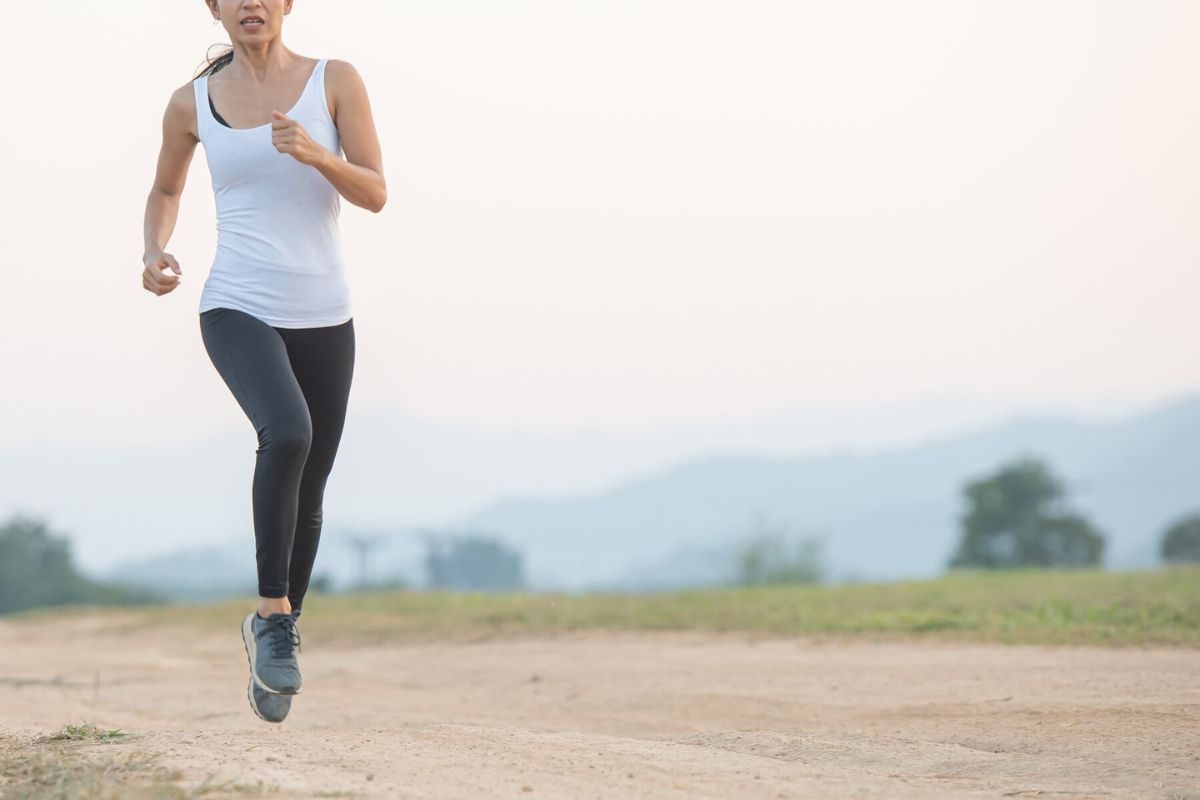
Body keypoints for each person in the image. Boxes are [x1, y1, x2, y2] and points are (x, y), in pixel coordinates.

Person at [140, 0, 386, 724]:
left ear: (285, 5)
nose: (251, 3)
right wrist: (154, 249)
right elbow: (164, 189)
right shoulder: (193, 103)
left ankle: (274, 637)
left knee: (310, 486)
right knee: (288, 432)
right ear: (214, 8)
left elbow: (375, 191)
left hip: (325, 315)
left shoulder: (334, 80)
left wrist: (317, 153)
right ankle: (273, 614)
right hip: (236, 303)